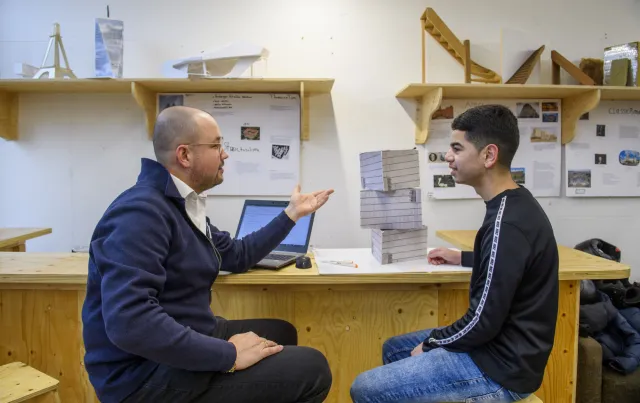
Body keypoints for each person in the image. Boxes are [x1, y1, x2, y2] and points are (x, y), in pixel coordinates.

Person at [81, 106, 334, 403]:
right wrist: (229, 355)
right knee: (312, 369)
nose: (224, 154)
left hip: (185, 331)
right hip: (142, 377)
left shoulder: (179, 204)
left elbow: (236, 255)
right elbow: (130, 322)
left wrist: (291, 215)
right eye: (215, 145)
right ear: (185, 155)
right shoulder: (141, 212)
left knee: (281, 332)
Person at [350, 105, 559, 402]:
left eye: (456, 148)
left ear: (488, 155)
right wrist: (462, 258)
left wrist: (433, 344)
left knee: (365, 389)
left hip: (501, 369)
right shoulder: (514, 206)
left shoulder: (507, 222)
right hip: (498, 349)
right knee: (394, 348)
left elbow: (482, 321)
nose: (448, 156)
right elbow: (506, 267)